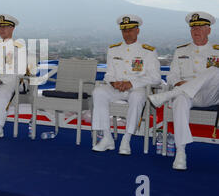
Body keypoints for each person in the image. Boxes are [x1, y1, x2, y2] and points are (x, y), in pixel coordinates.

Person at [148, 11, 218, 170]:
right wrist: (179, 83)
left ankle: (169, 95)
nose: (196, 30)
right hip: (186, 93)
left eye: (200, 27)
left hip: (210, 95)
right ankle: (181, 152)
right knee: (180, 100)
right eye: (193, 27)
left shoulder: (217, 50)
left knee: (214, 71)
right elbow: (172, 76)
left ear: (209, 30)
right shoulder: (181, 51)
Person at [92, 15, 161, 154]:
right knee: (98, 92)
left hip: (137, 89)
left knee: (136, 97)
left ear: (137, 31)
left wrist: (131, 83)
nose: (127, 33)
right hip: (117, 88)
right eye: (124, 30)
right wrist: (113, 82)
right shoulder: (113, 49)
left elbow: (156, 78)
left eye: (130, 30)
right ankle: (107, 137)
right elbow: (109, 74)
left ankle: (126, 139)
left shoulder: (148, 51)